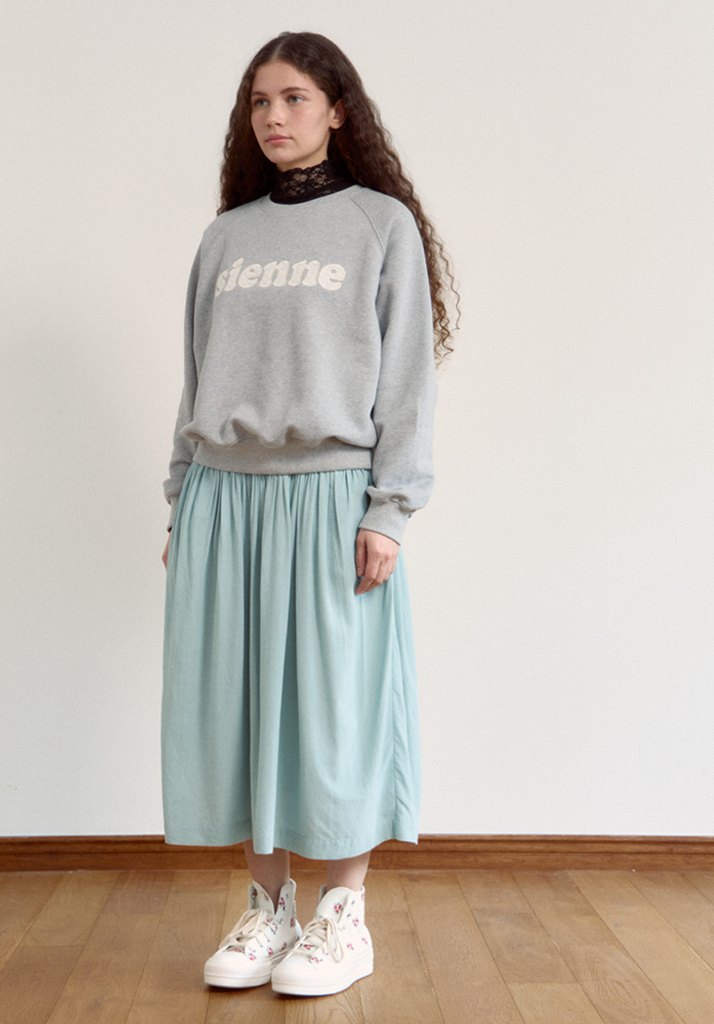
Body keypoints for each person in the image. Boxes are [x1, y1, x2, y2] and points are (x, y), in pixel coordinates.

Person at [160, 31, 456, 998]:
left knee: (334, 706)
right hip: (224, 492)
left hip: (331, 494)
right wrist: (183, 499)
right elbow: (196, 378)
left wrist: (390, 509)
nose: (274, 117)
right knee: (237, 702)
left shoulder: (379, 224)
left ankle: (342, 914)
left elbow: (406, 379)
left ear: (337, 110)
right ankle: (268, 907)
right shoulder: (227, 237)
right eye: (259, 102)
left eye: (293, 98)